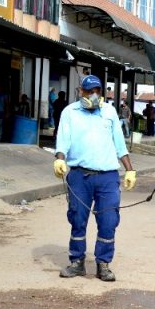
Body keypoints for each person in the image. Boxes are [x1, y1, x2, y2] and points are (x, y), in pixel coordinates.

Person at [52, 75, 136, 282]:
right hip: (79, 176)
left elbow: (119, 144)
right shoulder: (69, 112)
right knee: (78, 219)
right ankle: (77, 262)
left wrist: (130, 170)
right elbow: (62, 141)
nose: (94, 95)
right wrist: (59, 159)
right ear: (81, 91)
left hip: (107, 177)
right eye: (89, 91)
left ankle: (103, 264)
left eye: (97, 91)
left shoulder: (109, 112)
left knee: (108, 221)